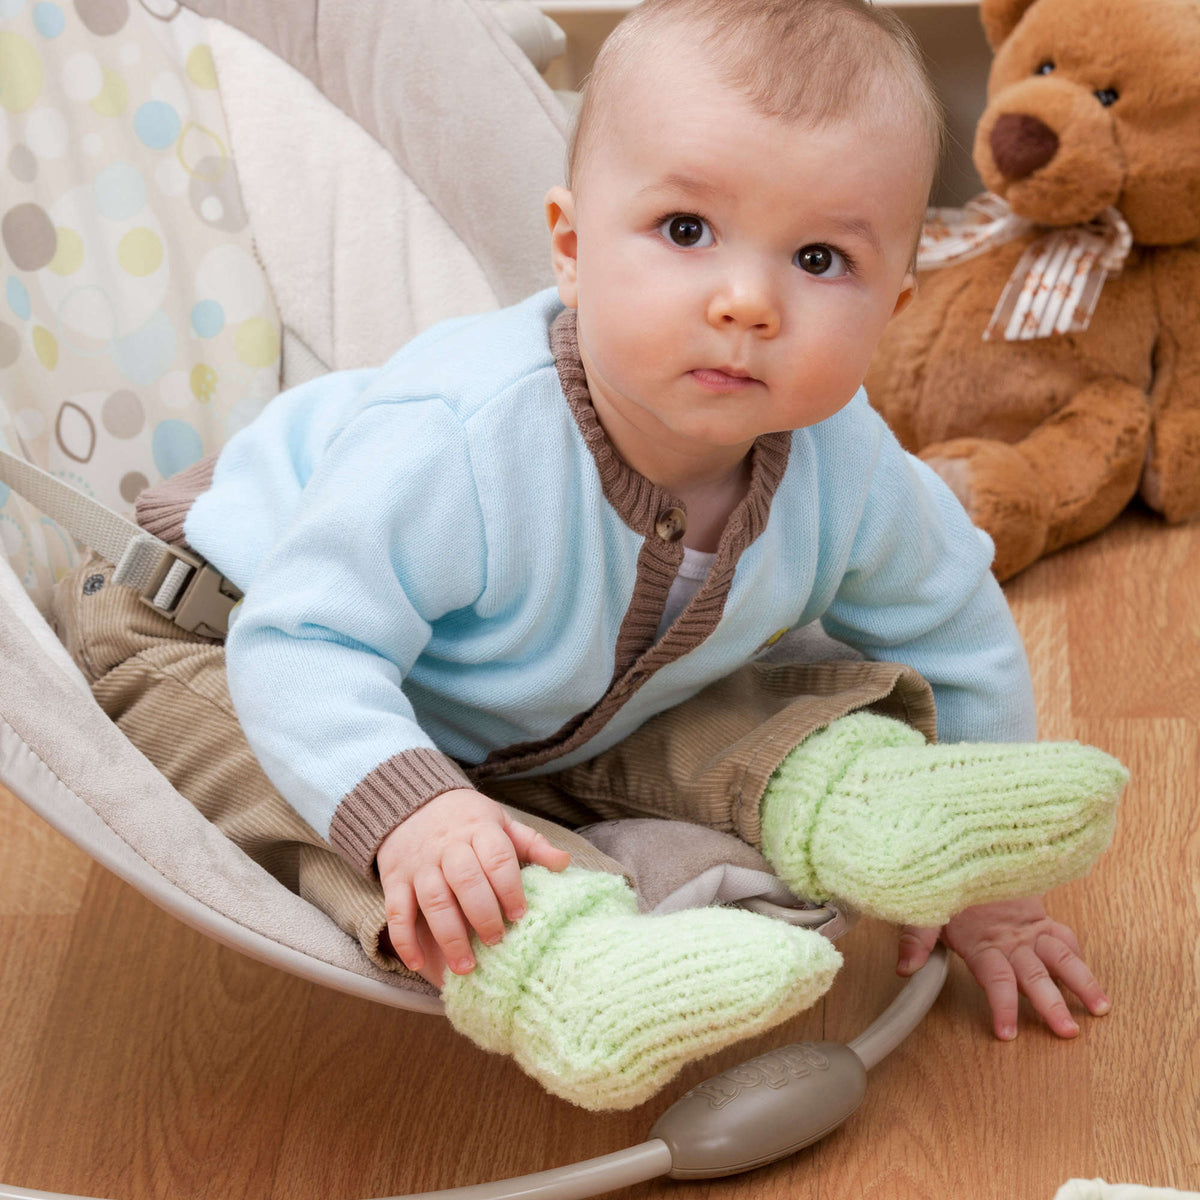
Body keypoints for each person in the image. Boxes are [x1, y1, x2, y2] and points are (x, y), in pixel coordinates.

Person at [52, 0, 1127, 1112]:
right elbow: (299, 641)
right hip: (221, 630)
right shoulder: (463, 437)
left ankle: (877, 806)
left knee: (776, 688)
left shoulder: (848, 465)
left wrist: (997, 897)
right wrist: (415, 810)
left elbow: (954, 629)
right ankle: (554, 952)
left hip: (529, 698)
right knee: (322, 802)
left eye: (819, 258)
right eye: (685, 230)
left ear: (891, 309)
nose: (746, 302)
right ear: (569, 247)